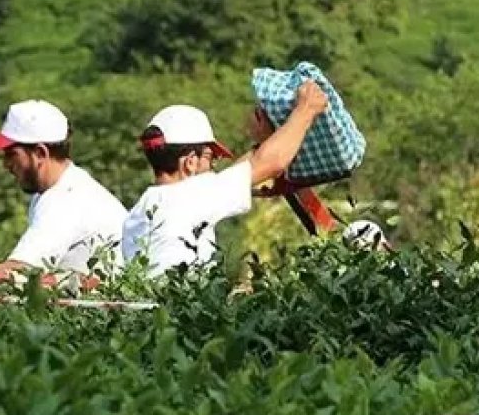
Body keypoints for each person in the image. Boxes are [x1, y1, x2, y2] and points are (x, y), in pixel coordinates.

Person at [121, 80, 329, 277]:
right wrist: (306, 110)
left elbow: (246, 168)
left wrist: (269, 140)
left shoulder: (140, 211)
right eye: (211, 159)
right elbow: (269, 163)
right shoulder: (191, 198)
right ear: (190, 162)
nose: (214, 167)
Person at [0, 99, 128, 276]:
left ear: (40, 153)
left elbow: (19, 270)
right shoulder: (61, 189)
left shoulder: (66, 200)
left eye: (11, 154)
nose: (6, 164)